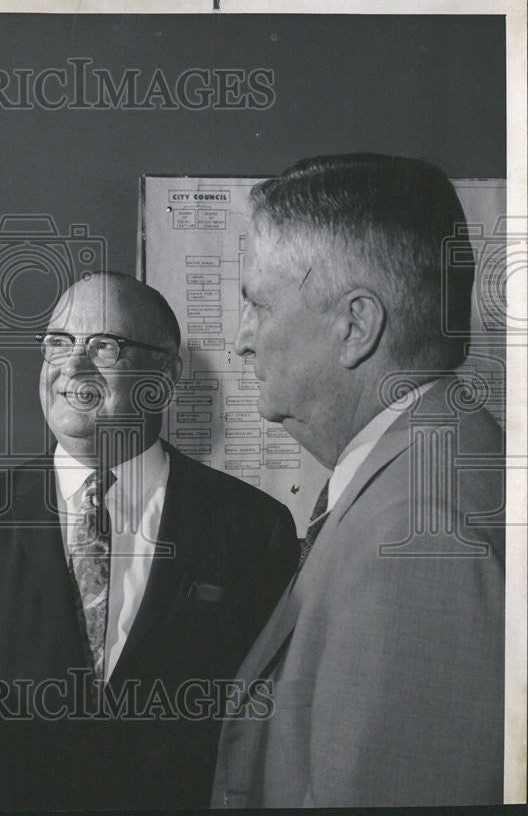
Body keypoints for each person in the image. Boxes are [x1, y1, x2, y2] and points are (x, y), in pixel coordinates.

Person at [0, 271, 299, 809]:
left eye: (103, 346)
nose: (73, 366)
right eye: (58, 343)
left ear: (163, 378)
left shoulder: (253, 526)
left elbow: (282, 710)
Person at [211, 153, 505, 807]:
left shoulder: (421, 537)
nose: (242, 338)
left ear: (356, 326)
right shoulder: (416, 475)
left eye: (258, 304)